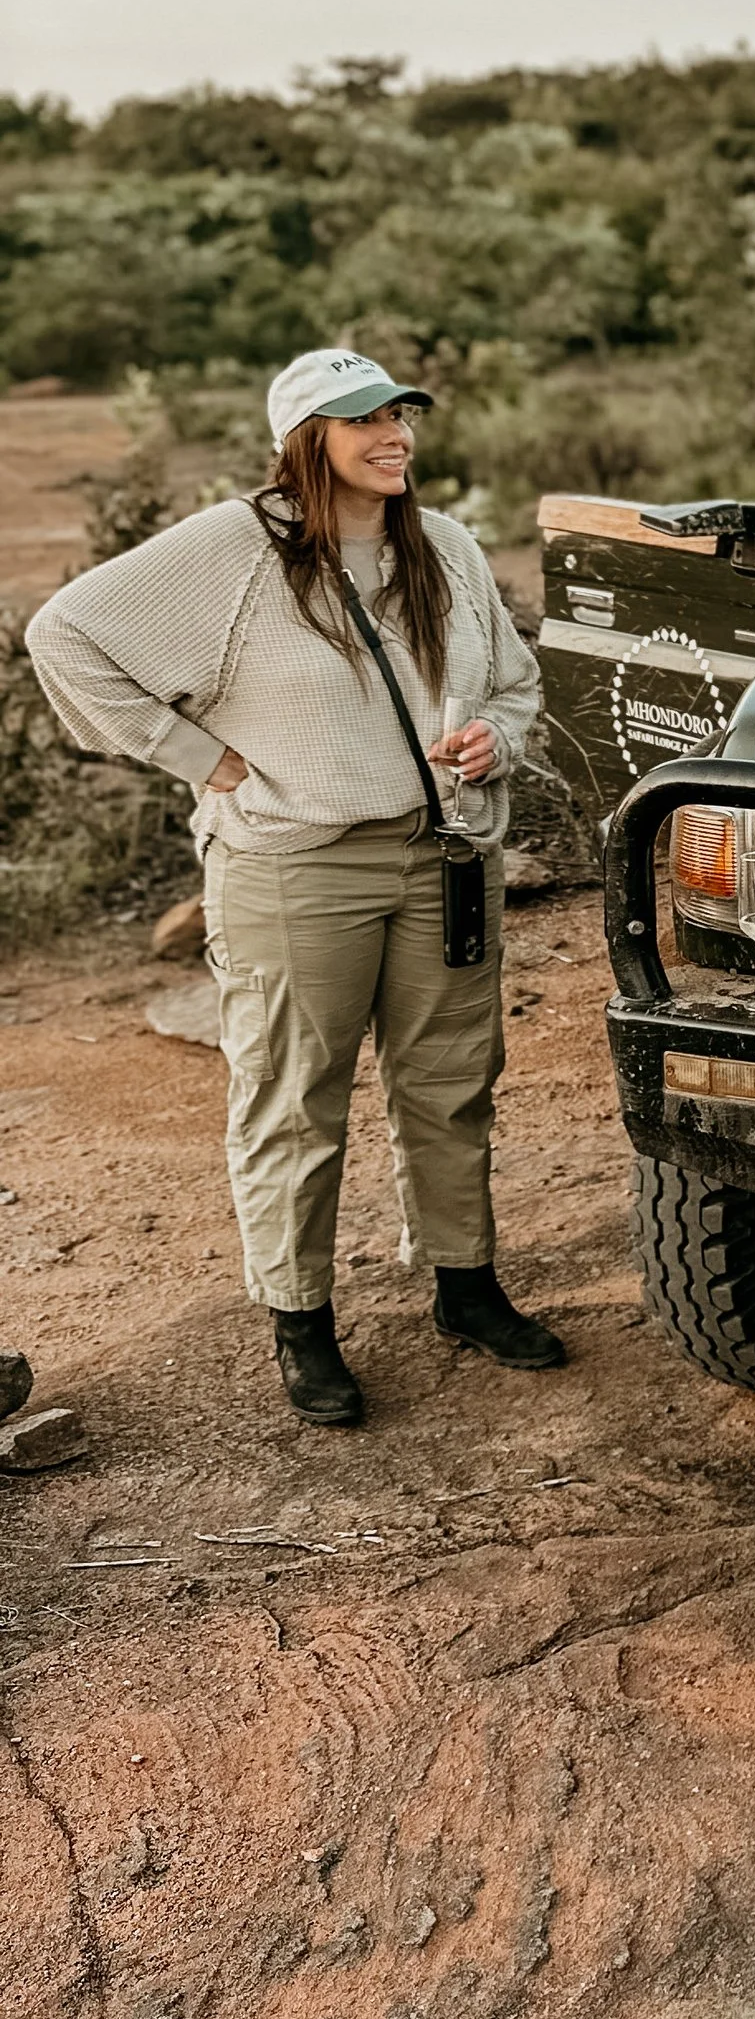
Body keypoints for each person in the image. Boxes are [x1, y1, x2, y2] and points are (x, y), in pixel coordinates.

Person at [27, 345, 560, 1428]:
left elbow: (514, 682)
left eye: (398, 412)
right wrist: (192, 756)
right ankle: (301, 1322)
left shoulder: (444, 545)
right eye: (361, 419)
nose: (392, 434)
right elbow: (63, 634)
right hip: (294, 865)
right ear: (304, 441)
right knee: (293, 1099)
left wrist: (490, 740)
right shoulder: (237, 547)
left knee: (450, 1080)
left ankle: (464, 1287)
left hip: (441, 854)